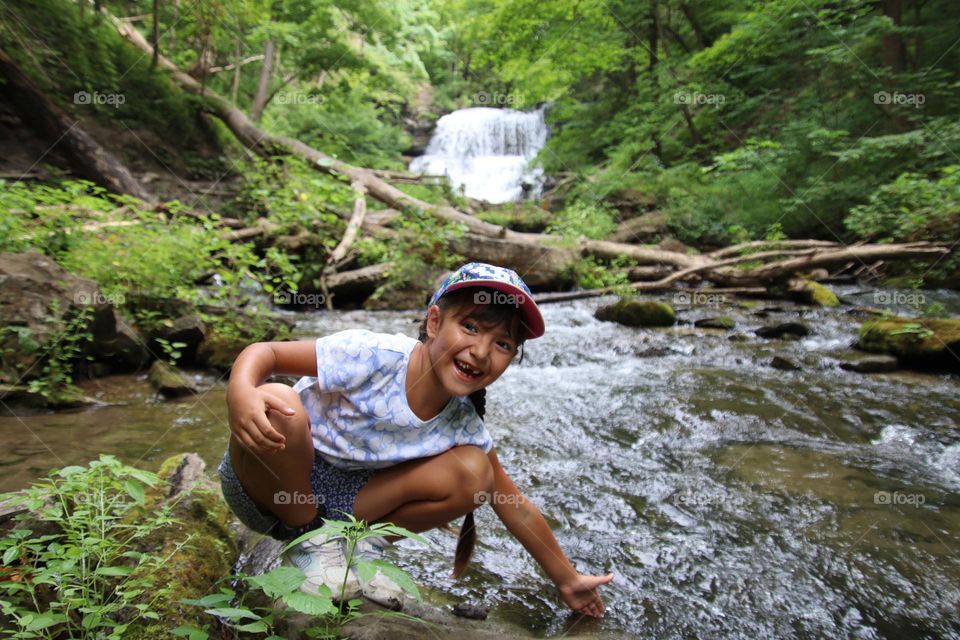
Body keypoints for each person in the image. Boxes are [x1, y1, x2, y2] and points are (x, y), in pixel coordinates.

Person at [219, 262, 613, 617]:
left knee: (475, 473)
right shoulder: (374, 355)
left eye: (503, 344)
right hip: (269, 484)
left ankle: (359, 550)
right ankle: (308, 543)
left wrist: (567, 578)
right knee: (277, 401)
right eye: (471, 327)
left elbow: (515, 506)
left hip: (346, 508)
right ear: (434, 322)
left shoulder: (463, 424)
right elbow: (266, 352)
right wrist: (241, 392)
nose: (480, 352)